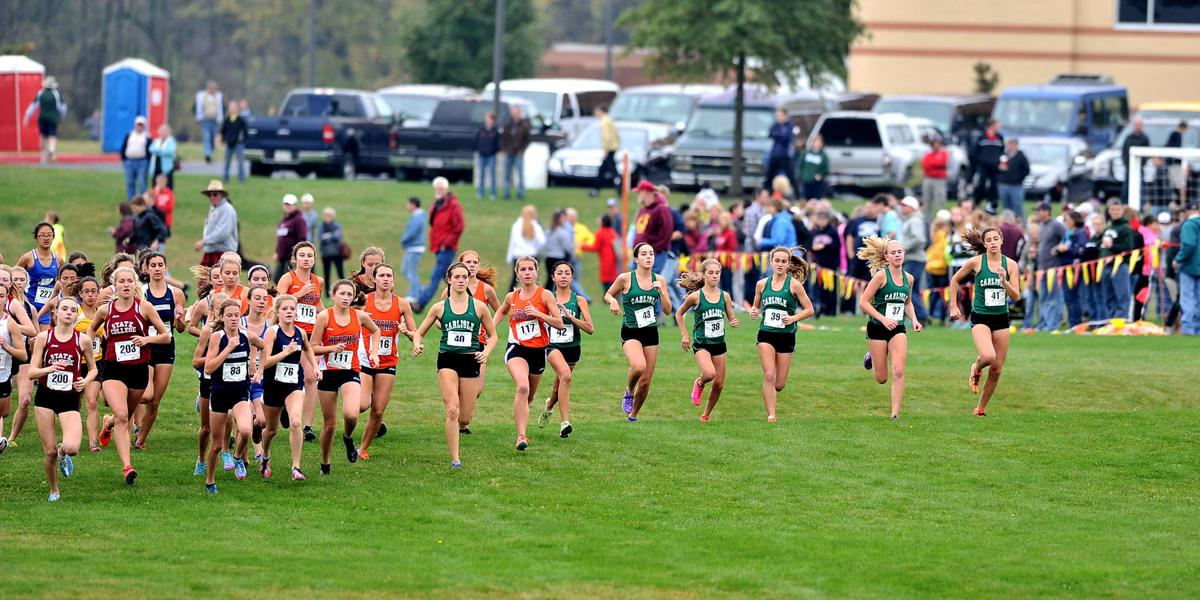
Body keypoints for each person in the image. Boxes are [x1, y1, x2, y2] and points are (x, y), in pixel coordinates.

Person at [86, 266, 171, 484]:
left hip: (138, 370)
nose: (126, 285)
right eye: (121, 281)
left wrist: (147, 339)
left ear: (135, 284)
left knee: (124, 415)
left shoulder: (144, 307)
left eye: (129, 281)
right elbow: (91, 329)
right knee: (123, 416)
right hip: (114, 369)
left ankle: (108, 422)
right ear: (114, 285)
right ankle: (127, 467)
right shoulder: (106, 310)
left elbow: (166, 336)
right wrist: (88, 349)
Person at [411, 262, 498, 468]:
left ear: (468, 280)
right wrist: (417, 344)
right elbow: (419, 333)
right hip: (448, 359)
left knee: (465, 417)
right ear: (449, 280)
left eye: (464, 277)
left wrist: (486, 352)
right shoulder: (439, 307)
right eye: (456, 277)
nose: (460, 280)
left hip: (470, 360)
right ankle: (455, 459)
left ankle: (461, 426)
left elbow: (494, 336)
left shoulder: (479, 307)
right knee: (452, 409)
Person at [492, 257, 567, 450]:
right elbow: (501, 312)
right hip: (516, 349)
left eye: (530, 269)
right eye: (523, 269)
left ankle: (523, 419)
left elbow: (559, 323)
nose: (527, 273)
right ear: (517, 274)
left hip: (539, 351)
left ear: (536, 272)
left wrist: (538, 313)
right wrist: (490, 328)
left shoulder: (545, 295)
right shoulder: (512, 297)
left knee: (529, 396)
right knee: (522, 387)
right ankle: (521, 436)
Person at [28, 295, 97, 501]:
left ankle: (63, 453)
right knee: (48, 452)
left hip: (69, 398)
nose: (68, 313)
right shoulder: (44, 338)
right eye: (64, 309)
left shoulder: (83, 340)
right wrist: (49, 369)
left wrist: (85, 381)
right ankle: (54, 490)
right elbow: (31, 372)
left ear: (77, 316)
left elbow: (93, 369)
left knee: (72, 448)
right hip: (46, 397)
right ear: (55, 312)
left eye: (73, 310)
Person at [948, 227, 1021, 416]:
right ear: (984, 243)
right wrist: (954, 306)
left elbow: (1016, 297)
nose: (993, 242)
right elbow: (955, 280)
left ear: (1001, 241)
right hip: (981, 316)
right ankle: (976, 368)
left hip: (1001, 318)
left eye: (996, 238)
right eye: (989, 240)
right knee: (988, 356)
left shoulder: (1011, 264)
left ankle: (980, 408)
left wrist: (1004, 281)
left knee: (996, 369)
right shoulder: (976, 262)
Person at [310, 279, 380, 475]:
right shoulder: (324, 316)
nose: (346, 298)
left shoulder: (359, 316)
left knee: (351, 414)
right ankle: (325, 464)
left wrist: (374, 353)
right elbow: (313, 347)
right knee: (329, 426)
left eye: (350, 294)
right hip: (327, 372)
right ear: (333, 295)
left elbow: (376, 331)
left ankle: (348, 438)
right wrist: (331, 348)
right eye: (342, 293)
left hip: (350, 370)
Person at [604, 242, 672, 422]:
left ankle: (633, 415)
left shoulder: (660, 280)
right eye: (644, 254)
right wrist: (613, 301)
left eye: (651, 253)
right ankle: (628, 391)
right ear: (636, 259)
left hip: (651, 332)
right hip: (631, 331)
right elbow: (608, 294)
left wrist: (662, 293)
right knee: (639, 366)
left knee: (645, 381)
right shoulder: (625, 278)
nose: (648, 257)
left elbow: (667, 311)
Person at [857, 237, 922, 419]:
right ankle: (871, 355)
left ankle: (895, 414)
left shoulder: (909, 279)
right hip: (877, 327)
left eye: (899, 252)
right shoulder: (881, 276)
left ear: (904, 254)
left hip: (898, 328)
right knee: (881, 378)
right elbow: (864, 302)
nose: (897, 255)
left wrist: (914, 320)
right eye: (893, 253)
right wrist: (883, 319)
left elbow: (907, 302)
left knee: (899, 371)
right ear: (886, 257)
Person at [355, 263, 415, 460]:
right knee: (362, 405)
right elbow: (343, 318)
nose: (386, 279)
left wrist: (409, 334)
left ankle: (362, 449)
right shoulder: (364, 301)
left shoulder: (402, 304)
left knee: (378, 411)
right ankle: (348, 426)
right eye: (381, 275)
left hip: (387, 362)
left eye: (389, 275)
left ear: (393, 279)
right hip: (364, 360)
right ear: (374, 279)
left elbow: (414, 333)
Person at [257, 294, 319, 481]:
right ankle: (265, 456)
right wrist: (285, 352)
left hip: (294, 385)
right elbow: (265, 362)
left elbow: (308, 348)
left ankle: (296, 467)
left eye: (292, 309)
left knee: (296, 422)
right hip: (273, 386)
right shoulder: (272, 332)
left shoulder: (300, 333)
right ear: (278, 312)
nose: (289, 312)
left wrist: (315, 367)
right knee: (271, 430)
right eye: (285, 309)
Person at [749, 247, 814, 422]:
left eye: (783, 261)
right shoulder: (762, 284)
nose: (780, 264)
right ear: (771, 262)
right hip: (766, 334)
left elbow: (809, 310)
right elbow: (756, 306)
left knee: (779, 384)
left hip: (786, 336)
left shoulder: (794, 285)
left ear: (788, 264)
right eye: (776, 260)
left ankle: (773, 396)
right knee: (769, 374)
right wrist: (754, 311)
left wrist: (793, 318)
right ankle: (771, 414)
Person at [201, 298, 259, 493]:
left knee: (245, 430)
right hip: (219, 393)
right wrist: (228, 349)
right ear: (222, 317)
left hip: (240, 392)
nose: (234, 319)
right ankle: (210, 480)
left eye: (237, 315)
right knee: (216, 445)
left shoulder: (247, 335)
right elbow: (208, 368)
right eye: (229, 315)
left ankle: (237, 458)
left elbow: (264, 346)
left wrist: (256, 367)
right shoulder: (217, 337)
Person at [675, 259, 738, 421]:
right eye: (710, 273)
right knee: (709, 373)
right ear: (703, 275)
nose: (714, 276)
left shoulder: (725, 296)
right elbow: (679, 314)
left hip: (719, 344)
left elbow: (731, 316)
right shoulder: (696, 297)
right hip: (702, 344)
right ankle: (699, 383)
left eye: (717, 273)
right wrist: (685, 335)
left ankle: (706, 415)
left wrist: (733, 321)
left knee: (719, 384)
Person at [133, 252, 185, 450]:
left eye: (160, 265)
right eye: (153, 265)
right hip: (145, 347)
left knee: (155, 401)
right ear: (146, 269)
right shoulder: (141, 292)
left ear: (165, 268)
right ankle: (114, 418)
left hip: (166, 348)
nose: (157, 268)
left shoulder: (176, 293)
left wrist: (179, 318)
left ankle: (140, 440)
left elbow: (180, 329)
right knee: (146, 395)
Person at [276, 242, 324, 443]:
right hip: (289, 333)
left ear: (314, 259)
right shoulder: (288, 278)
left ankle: (308, 426)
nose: (306, 259)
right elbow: (278, 303)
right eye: (302, 255)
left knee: (311, 377)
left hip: (311, 335)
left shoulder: (318, 281)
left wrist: (330, 318)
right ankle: (284, 406)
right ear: (294, 258)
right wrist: (299, 294)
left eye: (310, 255)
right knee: (287, 375)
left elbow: (317, 304)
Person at [539, 261, 593, 432]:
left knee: (559, 386)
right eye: (559, 273)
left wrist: (571, 318)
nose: (563, 276)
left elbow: (590, 329)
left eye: (567, 273)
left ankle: (549, 406)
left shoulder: (579, 300)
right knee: (566, 376)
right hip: (552, 346)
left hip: (572, 348)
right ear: (553, 277)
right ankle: (565, 423)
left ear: (572, 277)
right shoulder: (548, 298)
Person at [415, 178, 465, 311]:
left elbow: (459, 226)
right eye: (437, 188)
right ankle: (465, 300)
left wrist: (447, 243)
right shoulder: (437, 204)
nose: (439, 191)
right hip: (438, 247)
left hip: (446, 248)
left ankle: (420, 303)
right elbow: (434, 224)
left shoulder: (453, 205)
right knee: (448, 277)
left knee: (436, 276)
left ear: (446, 189)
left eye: (441, 188)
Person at [0, 269, 30, 454]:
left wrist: (6, 346)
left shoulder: (10, 320)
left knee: (4, 412)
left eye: (1, 296)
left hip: (5, 370)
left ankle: (6, 439)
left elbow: (23, 354)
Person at [17, 222, 61, 329]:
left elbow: (61, 283)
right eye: (42, 235)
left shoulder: (58, 260)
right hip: (29, 305)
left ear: (53, 237)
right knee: (31, 337)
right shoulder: (28, 258)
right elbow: (13, 275)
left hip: (48, 307)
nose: (46, 238)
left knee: (44, 336)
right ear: (36, 238)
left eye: (49, 235)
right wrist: (21, 296)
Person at [1033, 201, 1068, 331]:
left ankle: (1052, 325)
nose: (1037, 213)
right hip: (1042, 268)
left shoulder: (1056, 225)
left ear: (1047, 211)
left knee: (1053, 298)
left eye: (1039, 210)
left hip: (1054, 268)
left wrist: (1059, 248)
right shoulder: (1042, 226)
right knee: (1043, 298)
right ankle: (1043, 324)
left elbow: (1067, 238)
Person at [1101, 199, 1135, 320]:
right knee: (1108, 298)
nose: (1115, 212)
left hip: (1120, 266)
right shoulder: (1108, 228)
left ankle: (1120, 323)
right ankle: (1110, 322)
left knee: (1122, 297)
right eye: (1112, 209)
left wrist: (1112, 247)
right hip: (1106, 267)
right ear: (1109, 211)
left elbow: (1128, 248)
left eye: (1118, 209)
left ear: (1122, 211)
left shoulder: (1125, 228)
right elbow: (1103, 248)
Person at [23, 75, 66, 165]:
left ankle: (43, 157)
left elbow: (33, 105)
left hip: (42, 118)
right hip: (53, 118)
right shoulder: (56, 94)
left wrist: (27, 116)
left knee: (42, 136)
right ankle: (51, 150)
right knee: (52, 135)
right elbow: (62, 107)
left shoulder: (40, 93)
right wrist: (62, 117)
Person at [899, 196, 929, 323]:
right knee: (911, 289)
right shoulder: (912, 220)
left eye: (904, 205)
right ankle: (919, 316)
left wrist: (903, 248)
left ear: (912, 207)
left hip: (914, 259)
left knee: (908, 289)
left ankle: (921, 316)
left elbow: (920, 239)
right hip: (913, 259)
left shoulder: (914, 221)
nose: (902, 208)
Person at [195, 180, 238, 267]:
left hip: (223, 253)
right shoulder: (213, 209)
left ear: (222, 195)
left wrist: (204, 241)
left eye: (215, 194)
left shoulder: (227, 209)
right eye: (209, 195)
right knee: (202, 275)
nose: (212, 197)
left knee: (220, 275)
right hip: (211, 251)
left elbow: (223, 233)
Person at [808, 209, 842, 317]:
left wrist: (824, 246)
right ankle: (820, 308)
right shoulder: (815, 232)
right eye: (819, 219)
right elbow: (809, 245)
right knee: (818, 287)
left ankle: (831, 310)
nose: (821, 221)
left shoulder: (832, 231)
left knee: (830, 288)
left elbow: (837, 246)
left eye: (823, 219)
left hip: (830, 265)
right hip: (818, 264)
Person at [505, 205, 545, 291]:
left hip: (518, 255)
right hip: (532, 255)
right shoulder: (536, 226)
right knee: (535, 279)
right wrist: (537, 250)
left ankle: (510, 296)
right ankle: (537, 296)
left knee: (515, 279)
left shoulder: (516, 225)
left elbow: (512, 243)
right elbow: (542, 242)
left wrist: (509, 258)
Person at [1174, 204, 1200, 335]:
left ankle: (1188, 329)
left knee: (1187, 299)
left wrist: (1178, 259)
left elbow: (1189, 245)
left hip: (1189, 266)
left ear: (1187, 212)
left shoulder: (1188, 225)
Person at [274, 194, 309, 281]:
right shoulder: (283, 221)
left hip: (291, 256)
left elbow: (302, 238)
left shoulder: (299, 220)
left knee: (289, 280)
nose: (287, 206)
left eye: (290, 204)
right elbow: (281, 239)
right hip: (282, 256)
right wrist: (277, 251)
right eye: (286, 204)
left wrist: (297, 255)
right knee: (277, 278)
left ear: (295, 205)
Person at [501, 105, 532, 200]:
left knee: (520, 174)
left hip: (518, 153)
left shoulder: (524, 125)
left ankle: (520, 193)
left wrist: (522, 150)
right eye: (513, 113)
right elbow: (503, 138)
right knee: (507, 174)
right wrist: (505, 149)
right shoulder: (508, 124)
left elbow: (528, 139)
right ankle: (507, 193)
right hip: (509, 153)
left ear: (520, 113)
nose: (515, 115)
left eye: (516, 113)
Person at [972, 119, 1004, 207]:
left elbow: (1002, 152)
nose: (999, 127)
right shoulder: (981, 138)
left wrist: (1001, 163)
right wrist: (980, 163)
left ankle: (992, 208)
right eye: (997, 125)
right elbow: (975, 153)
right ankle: (976, 205)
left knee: (994, 188)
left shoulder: (1000, 138)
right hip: (983, 168)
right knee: (980, 186)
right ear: (992, 125)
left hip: (995, 168)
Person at [583, 214, 619, 291]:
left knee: (606, 281)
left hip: (605, 259)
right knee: (612, 279)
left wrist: (582, 246)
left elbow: (595, 247)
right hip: (613, 258)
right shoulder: (612, 232)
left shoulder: (600, 233)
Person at [400, 197, 427, 301]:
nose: (407, 206)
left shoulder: (418, 217)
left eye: (408, 204)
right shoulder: (417, 216)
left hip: (414, 248)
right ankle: (420, 290)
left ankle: (413, 295)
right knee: (405, 270)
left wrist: (404, 240)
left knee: (411, 272)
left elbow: (412, 232)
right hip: (412, 248)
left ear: (413, 204)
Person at [997, 138, 1030, 220]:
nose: (1009, 146)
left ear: (1015, 145)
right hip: (1003, 185)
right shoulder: (1003, 156)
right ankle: (1007, 224)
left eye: (1011, 144)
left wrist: (1018, 177)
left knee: (1017, 207)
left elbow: (1026, 170)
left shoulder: (1021, 156)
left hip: (1016, 186)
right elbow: (997, 169)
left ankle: (1021, 224)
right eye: (1008, 144)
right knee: (1006, 208)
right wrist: (1000, 169)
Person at [120, 116, 151, 200]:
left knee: (142, 182)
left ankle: (143, 201)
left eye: (141, 125)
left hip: (142, 161)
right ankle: (131, 200)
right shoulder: (130, 135)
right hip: (130, 161)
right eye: (138, 125)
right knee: (130, 182)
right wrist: (124, 159)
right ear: (135, 125)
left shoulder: (147, 136)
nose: (139, 127)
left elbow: (149, 150)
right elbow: (124, 147)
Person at [542, 209, 575, 287]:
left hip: (549, 257)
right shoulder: (561, 231)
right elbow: (567, 246)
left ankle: (546, 293)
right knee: (560, 280)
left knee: (550, 279)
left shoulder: (549, 230)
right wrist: (572, 253)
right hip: (558, 257)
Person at [592, 105, 620, 196]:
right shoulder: (609, 119)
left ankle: (619, 188)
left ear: (601, 111)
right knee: (604, 170)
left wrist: (606, 149)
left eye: (596, 111)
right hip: (613, 148)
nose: (595, 114)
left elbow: (607, 137)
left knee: (612, 171)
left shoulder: (604, 121)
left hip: (609, 149)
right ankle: (596, 189)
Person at [317, 207, 345, 296]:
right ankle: (327, 293)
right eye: (326, 215)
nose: (327, 217)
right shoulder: (321, 226)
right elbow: (320, 238)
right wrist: (331, 237)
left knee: (340, 273)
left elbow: (337, 237)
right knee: (327, 274)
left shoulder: (337, 226)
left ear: (333, 216)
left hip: (337, 254)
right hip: (326, 254)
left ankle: (344, 289)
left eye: (329, 215)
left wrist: (327, 237)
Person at [1121, 116, 1150, 203]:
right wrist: (1127, 164)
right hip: (1129, 169)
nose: (1138, 126)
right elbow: (1124, 152)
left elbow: (1147, 154)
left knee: (1140, 189)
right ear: (1134, 125)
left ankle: (1140, 207)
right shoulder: (1128, 138)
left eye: (1140, 124)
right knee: (1126, 190)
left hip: (1140, 169)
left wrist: (1141, 164)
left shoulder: (1145, 138)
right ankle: (1125, 206)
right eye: (1136, 124)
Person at [765, 109, 796, 191]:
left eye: (780, 115)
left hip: (785, 156)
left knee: (791, 175)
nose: (778, 117)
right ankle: (767, 192)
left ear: (785, 116)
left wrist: (779, 135)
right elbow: (771, 134)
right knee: (769, 175)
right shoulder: (775, 125)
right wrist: (781, 135)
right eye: (777, 116)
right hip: (775, 155)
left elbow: (787, 138)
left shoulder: (790, 126)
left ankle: (796, 193)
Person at [195, 80, 224, 164]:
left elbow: (221, 108)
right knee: (206, 137)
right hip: (205, 120)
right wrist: (199, 117)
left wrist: (220, 119)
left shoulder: (218, 96)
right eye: (211, 88)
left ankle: (210, 152)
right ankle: (207, 154)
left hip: (214, 121)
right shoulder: (202, 96)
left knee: (212, 138)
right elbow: (198, 107)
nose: (212, 90)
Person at [921, 135, 949, 221]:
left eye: (937, 142)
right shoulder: (927, 152)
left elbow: (942, 163)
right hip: (928, 178)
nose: (936, 144)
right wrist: (935, 163)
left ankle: (942, 220)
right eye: (934, 143)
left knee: (940, 200)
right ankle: (927, 221)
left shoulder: (943, 152)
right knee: (926, 200)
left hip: (939, 179)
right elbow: (925, 164)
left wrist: (933, 163)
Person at [474, 112, 500, 201]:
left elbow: (498, 144)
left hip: (491, 156)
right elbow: (476, 141)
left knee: (492, 175)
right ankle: (481, 192)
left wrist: (492, 151)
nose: (488, 121)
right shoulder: (481, 130)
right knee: (481, 175)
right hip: (482, 155)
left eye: (489, 119)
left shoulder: (495, 131)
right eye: (487, 119)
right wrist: (479, 150)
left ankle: (493, 193)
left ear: (493, 121)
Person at [220, 100, 247, 183]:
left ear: (237, 109)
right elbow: (222, 131)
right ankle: (226, 178)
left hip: (239, 144)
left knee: (240, 162)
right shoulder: (227, 120)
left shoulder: (241, 120)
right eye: (231, 108)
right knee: (227, 162)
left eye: (234, 108)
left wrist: (241, 139)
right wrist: (224, 139)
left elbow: (245, 132)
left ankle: (241, 179)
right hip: (229, 144)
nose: (232, 109)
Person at [797, 134, 829, 201]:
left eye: (818, 141)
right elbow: (800, 165)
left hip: (817, 183)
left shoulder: (823, 156)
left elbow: (826, 169)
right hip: (806, 182)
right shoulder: (805, 153)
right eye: (814, 141)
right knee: (805, 199)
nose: (816, 143)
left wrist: (820, 175)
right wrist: (802, 175)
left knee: (817, 200)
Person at [151, 175, 175, 254]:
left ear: (165, 183)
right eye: (159, 182)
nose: (160, 184)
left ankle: (160, 256)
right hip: (153, 222)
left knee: (162, 242)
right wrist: (156, 194)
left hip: (165, 222)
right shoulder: (153, 192)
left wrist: (158, 207)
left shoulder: (169, 193)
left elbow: (170, 208)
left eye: (162, 182)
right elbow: (151, 206)